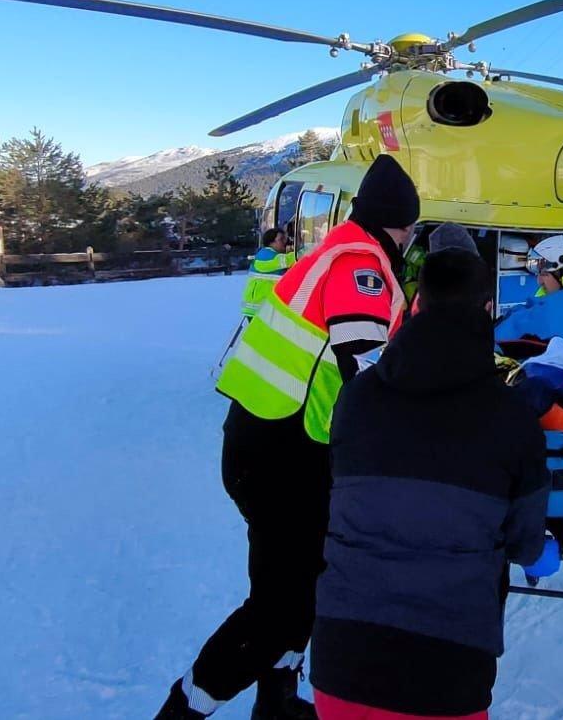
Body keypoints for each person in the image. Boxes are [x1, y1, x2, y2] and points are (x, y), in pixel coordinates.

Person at [158, 154, 420, 720]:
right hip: (285, 452)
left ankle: (275, 704)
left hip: (272, 443)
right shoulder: (361, 262)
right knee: (282, 604)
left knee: (299, 587)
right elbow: (366, 364)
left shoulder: (337, 250)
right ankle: (183, 711)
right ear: (402, 225)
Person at [309, 247, 549, 720]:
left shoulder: (356, 397)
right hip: (448, 668)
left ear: (415, 306)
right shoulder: (512, 415)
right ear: (487, 311)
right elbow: (524, 545)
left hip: (340, 656)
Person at [240, 226, 298, 318]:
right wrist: (301, 251)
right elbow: (286, 260)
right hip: (258, 309)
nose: (285, 242)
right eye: (281, 239)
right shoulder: (265, 255)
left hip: (262, 308)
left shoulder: (273, 255)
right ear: (271, 242)